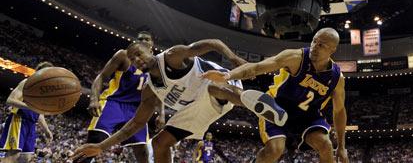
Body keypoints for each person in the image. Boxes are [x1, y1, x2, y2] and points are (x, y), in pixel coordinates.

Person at [71, 39, 286, 163]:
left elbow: (213, 43)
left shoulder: (173, 56)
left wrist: (233, 60)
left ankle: (255, 104)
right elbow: (134, 125)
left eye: (139, 54)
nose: (137, 60)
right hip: (196, 107)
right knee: (159, 143)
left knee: (212, 87)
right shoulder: (150, 91)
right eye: (133, 60)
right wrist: (100, 146)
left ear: (150, 50)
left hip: (221, 83)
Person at [202, 28, 349, 163]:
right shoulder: (296, 58)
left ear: (332, 50)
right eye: (314, 41)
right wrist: (228, 75)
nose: (314, 47)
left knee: (326, 145)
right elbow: (256, 67)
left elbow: (339, 111)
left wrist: (342, 146)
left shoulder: (337, 78)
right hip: (276, 107)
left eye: (321, 45)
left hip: (308, 116)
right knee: (275, 149)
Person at [78, 31, 155, 163]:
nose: (143, 41)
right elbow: (102, 76)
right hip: (113, 103)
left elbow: (158, 91)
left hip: (137, 110)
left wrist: (162, 114)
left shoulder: (156, 63)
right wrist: (94, 99)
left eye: (146, 39)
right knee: (96, 140)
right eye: (140, 39)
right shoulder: (123, 55)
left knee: (142, 153)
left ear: (152, 43)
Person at [0, 62, 54, 163]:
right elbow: (10, 100)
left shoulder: (43, 92)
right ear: (39, 73)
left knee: (26, 158)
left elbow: (39, 112)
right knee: (12, 156)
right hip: (19, 120)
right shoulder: (27, 83)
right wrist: (29, 106)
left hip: (31, 124)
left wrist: (46, 129)